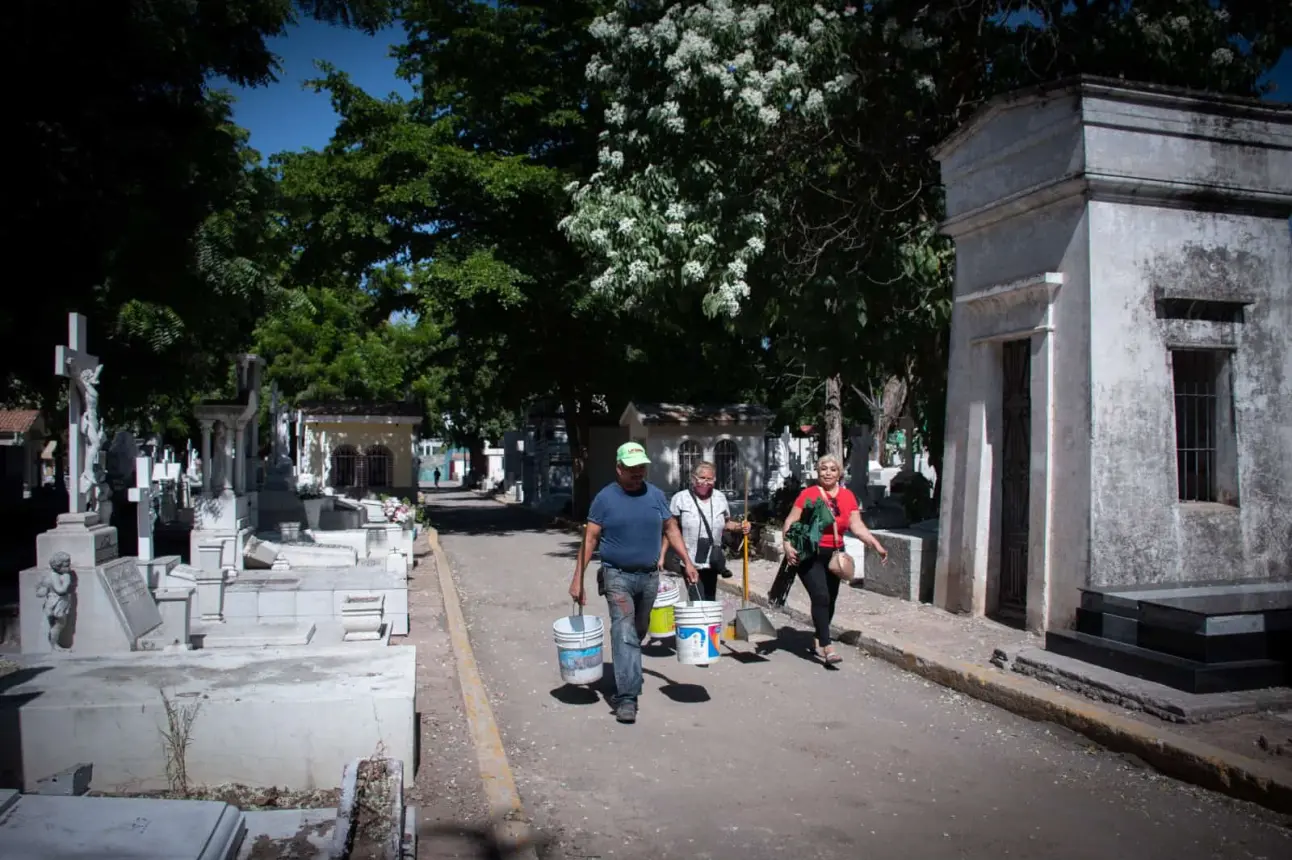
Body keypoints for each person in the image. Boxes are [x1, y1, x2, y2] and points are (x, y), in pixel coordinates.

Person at [569, 442, 698, 724]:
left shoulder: (655, 495)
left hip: (649, 576)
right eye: (631, 468)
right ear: (619, 468)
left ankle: (626, 666)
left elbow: (670, 529)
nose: (638, 472)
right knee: (624, 629)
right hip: (617, 575)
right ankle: (627, 697)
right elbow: (590, 539)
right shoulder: (605, 499)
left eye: (641, 467)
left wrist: (687, 561)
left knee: (638, 630)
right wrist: (578, 578)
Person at [781, 454, 888, 665]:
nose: (827, 472)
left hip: (836, 554)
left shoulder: (848, 497)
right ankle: (827, 646)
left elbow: (856, 526)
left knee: (830, 598)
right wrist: (786, 545)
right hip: (810, 554)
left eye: (832, 469)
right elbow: (790, 520)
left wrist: (875, 544)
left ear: (839, 473)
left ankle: (819, 636)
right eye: (823, 468)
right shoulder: (808, 494)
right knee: (820, 596)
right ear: (817, 471)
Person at [658, 461, 750, 601]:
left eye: (710, 479)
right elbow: (670, 530)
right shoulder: (680, 498)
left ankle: (708, 623)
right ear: (694, 478)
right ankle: (700, 622)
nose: (706, 482)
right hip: (689, 559)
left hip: (712, 559)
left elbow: (726, 524)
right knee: (697, 600)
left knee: (710, 598)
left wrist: (740, 527)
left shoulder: (720, 498)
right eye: (702, 478)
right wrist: (662, 556)